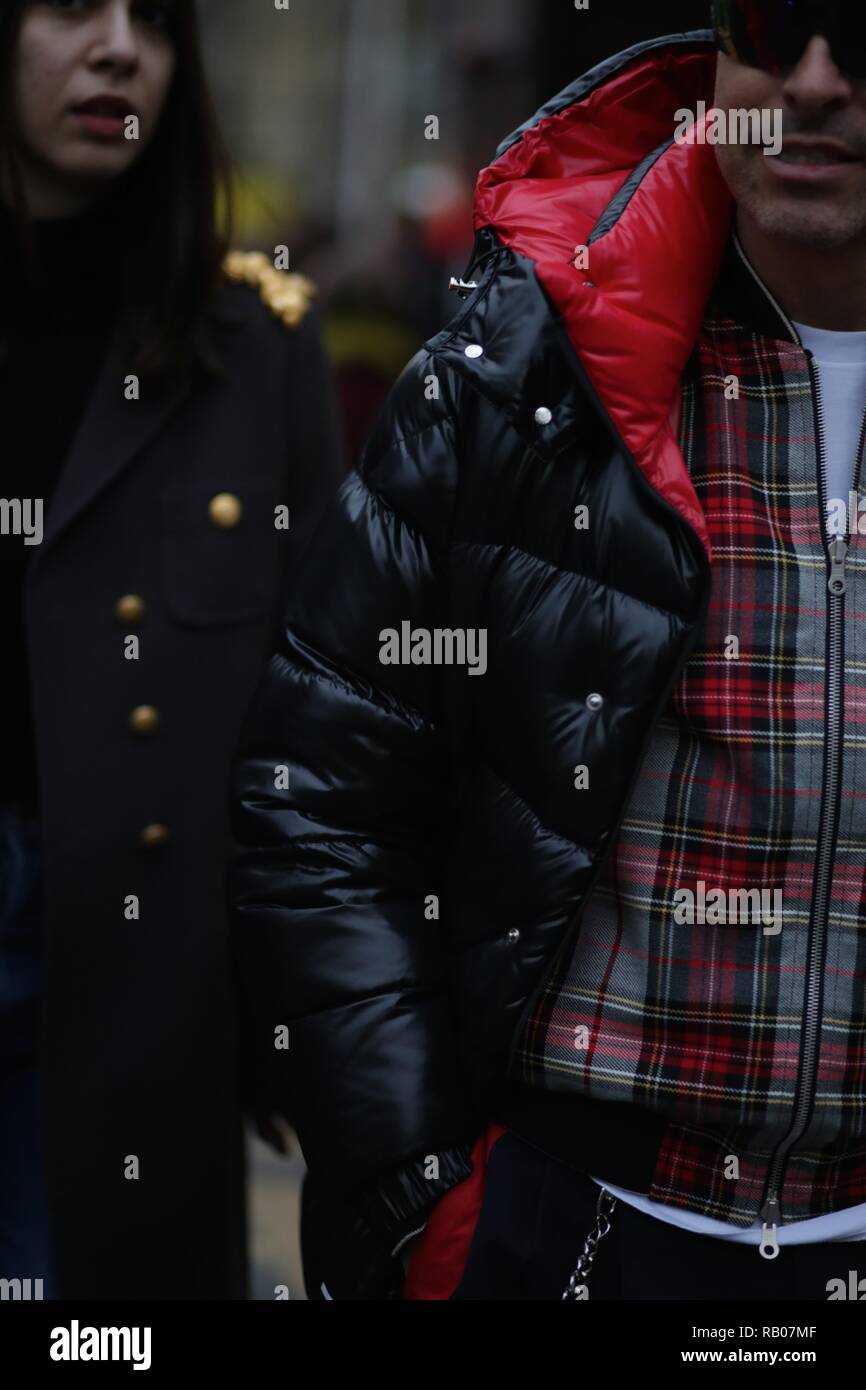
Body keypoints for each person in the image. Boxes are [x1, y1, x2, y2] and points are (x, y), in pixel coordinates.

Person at [229, 0, 866, 1301]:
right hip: (573, 1220)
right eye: (773, 23)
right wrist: (426, 1198)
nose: (811, 81)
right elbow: (320, 796)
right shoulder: (520, 369)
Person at [0, 0, 341, 1299]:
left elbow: (326, 723)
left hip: (139, 984)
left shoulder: (257, 344)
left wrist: (312, 1026)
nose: (118, 49)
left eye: (153, 18)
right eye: (73, 7)